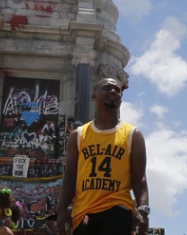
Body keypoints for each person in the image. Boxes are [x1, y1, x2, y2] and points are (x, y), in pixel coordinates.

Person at [57, 77, 150, 235]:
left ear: (121, 98)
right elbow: (70, 176)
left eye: (117, 90)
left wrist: (143, 210)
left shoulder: (132, 134)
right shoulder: (78, 135)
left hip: (118, 209)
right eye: (107, 88)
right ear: (94, 96)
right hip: (84, 214)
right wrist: (62, 209)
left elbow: (139, 177)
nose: (113, 91)